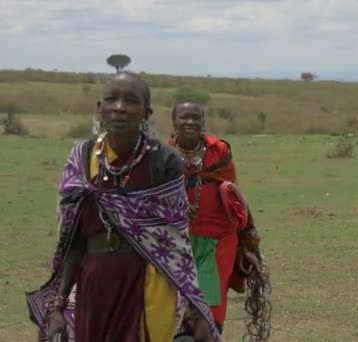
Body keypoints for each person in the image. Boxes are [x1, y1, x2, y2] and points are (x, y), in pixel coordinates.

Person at [25, 72, 221, 342]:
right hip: (94, 282)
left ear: (145, 113)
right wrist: (57, 307)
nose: (119, 107)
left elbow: (177, 246)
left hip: (149, 283)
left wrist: (197, 314)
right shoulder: (82, 159)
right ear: (100, 109)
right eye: (111, 99)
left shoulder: (164, 163)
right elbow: (73, 241)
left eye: (131, 101)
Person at [167, 100, 271, 338]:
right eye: (184, 117)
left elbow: (235, 199)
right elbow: (154, 200)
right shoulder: (164, 155)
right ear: (174, 122)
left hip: (218, 242)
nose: (190, 122)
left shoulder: (219, 151)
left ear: (203, 122)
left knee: (209, 307)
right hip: (178, 243)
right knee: (176, 308)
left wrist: (248, 242)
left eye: (196, 117)